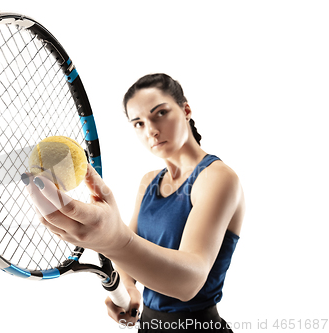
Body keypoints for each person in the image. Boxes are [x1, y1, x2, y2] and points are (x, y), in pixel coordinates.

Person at [23, 73, 245, 332]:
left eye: (160, 113)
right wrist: (127, 287)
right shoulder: (149, 181)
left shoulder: (218, 177)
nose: (151, 130)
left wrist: (115, 241)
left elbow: (189, 282)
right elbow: (131, 247)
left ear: (186, 109)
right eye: (138, 123)